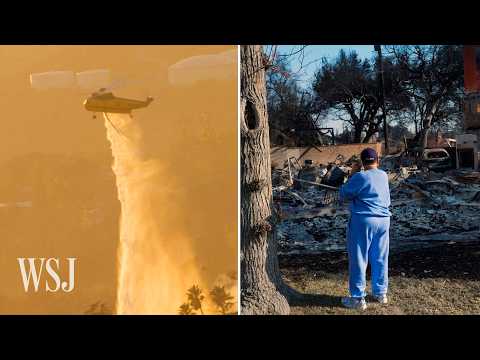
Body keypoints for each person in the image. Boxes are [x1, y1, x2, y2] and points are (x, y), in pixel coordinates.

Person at [338, 148, 391, 310]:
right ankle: (380, 293)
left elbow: (344, 194)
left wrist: (353, 174)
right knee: (380, 257)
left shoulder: (360, 177)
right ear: (377, 161)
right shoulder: (383, 175)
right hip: (383, 220)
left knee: (359, 258)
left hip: (364, 220)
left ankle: (357, 298)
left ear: (362, 162)